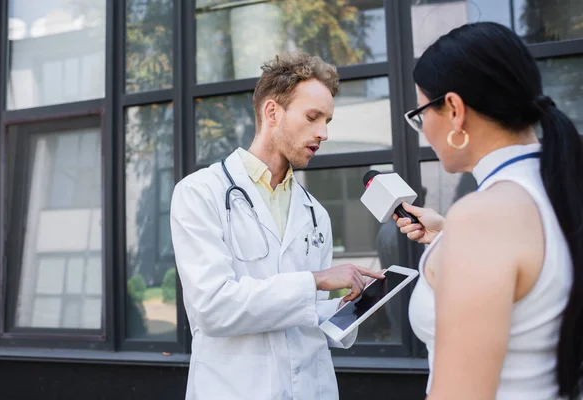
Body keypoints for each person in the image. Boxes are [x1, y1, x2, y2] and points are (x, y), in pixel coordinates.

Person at [170, 52, 384, 400]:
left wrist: (349, 308)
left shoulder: (315, 213)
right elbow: (212, 308)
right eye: (313, 117)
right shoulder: (199, 193)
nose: (324, 133)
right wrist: (314, 281)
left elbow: (307, 313)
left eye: (327, 120)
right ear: (272, 112)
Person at [396, 22, 583, 400]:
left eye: (419, 115)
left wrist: (463, 236)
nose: (423, 131)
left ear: (453, 110)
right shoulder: (559, 186)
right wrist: (451, 239)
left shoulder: (484, 217)